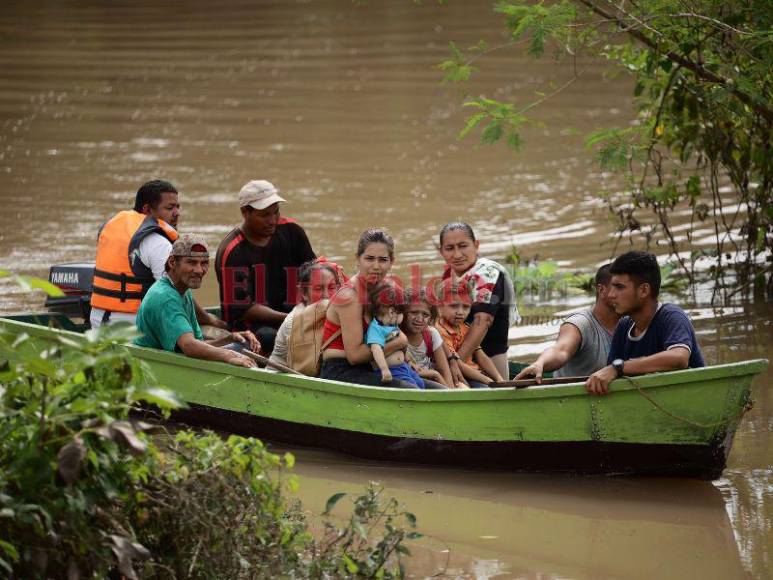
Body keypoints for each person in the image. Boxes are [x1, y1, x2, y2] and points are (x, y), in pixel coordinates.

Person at [90, 179, 225, 331]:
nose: (177, 213)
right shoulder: (157, 242)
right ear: (147, 210)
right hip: (132, 327)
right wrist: (212, 321)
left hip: (98, 321)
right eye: (170, 208)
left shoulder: (112, 227)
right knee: (218, 337)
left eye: (178, 207)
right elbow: (174, 293)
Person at [215, 179, 316, 355]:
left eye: (276, 212)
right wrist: (291, 320)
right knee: (268, 336)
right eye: (264, 215)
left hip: (294, 313)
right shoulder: (234, 250)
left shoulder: (292, 231)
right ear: (245, 212)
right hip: (254, 328)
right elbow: (244, 310)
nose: (272, 220)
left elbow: (316, 273)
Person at [585, 251, 706, 396]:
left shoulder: (671, 316)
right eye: (612, 287)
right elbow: (612, 374)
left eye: (619, 287)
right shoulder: (624, 326)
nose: (611, 295)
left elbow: (679, 358)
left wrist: (618, 368)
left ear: (643, 290)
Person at [134, 234, 259, 368]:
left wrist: (230, 338)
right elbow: (189, 346)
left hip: (170, 362)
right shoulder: (165, 297)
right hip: (152, 367)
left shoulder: (183, 291)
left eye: (204, 263)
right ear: (172, 262)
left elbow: (198, 344)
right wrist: (229, 355)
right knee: (237, 352)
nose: (199, 270)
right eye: (191, 262)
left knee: (241, 344)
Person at [320, 229, 422, 389]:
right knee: (412, 391)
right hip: (341, 370)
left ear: (392, 261)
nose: (376, 266)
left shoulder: (390, 289)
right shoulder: (349, 297)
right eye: (369, 259)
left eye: (382, 260)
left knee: (438, 390)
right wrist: (400, 342)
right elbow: (355, 356)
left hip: (376, 364)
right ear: (358, 259)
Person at [438, 222, 519, 380]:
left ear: (476, 245)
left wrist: (454, 363)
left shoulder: (488, 273)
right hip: (455, 356)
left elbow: (482, 322)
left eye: (463, 246)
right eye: (449, 248)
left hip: (487, 362)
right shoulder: (450, 277)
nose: (457, 254)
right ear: (441, 252)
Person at [515, 264, 620, 382]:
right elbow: (560, 351)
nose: (627, 293)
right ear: (601, 290)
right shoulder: (580, 324)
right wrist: (540, 363)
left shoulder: (632, 322)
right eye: (619, 287)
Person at [268, 260, 342, 369]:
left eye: (331, 287)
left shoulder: (338, 311)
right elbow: (308, 370)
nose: (326, 295)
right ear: (303, 293)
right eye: (318, 289)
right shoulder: (294, 320)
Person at [435, 284, 504, 388]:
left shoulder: (465, 328)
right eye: (453, 306)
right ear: (439, 306)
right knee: (485, 390)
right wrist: (488, 381)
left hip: (475, 374)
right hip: (458, 376)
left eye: (466, 307)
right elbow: (457, 364)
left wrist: (499, 379)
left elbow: (481, 356)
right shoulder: (439, 331)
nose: (460, 312)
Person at [366, 284, 426, 388]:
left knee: (421, 383)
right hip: (391, 370)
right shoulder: (376, 329)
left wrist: (409, 361)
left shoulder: (391, 325)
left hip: (402, 366)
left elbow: (401, 347)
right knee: (413, 388)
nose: (403, 317)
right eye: (402, 313)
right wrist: (384, 369)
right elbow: (376, 350)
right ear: (392, 312)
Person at [400, 288, 458, 388]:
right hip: (411, 381)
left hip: (431, 379)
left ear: (431, 318)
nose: (419, 319)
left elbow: (444, 370)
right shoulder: (398, 336)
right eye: (413, 312)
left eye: (425, 314)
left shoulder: (431, 334)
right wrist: (435, 375)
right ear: (404, 313)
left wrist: (451, 391)